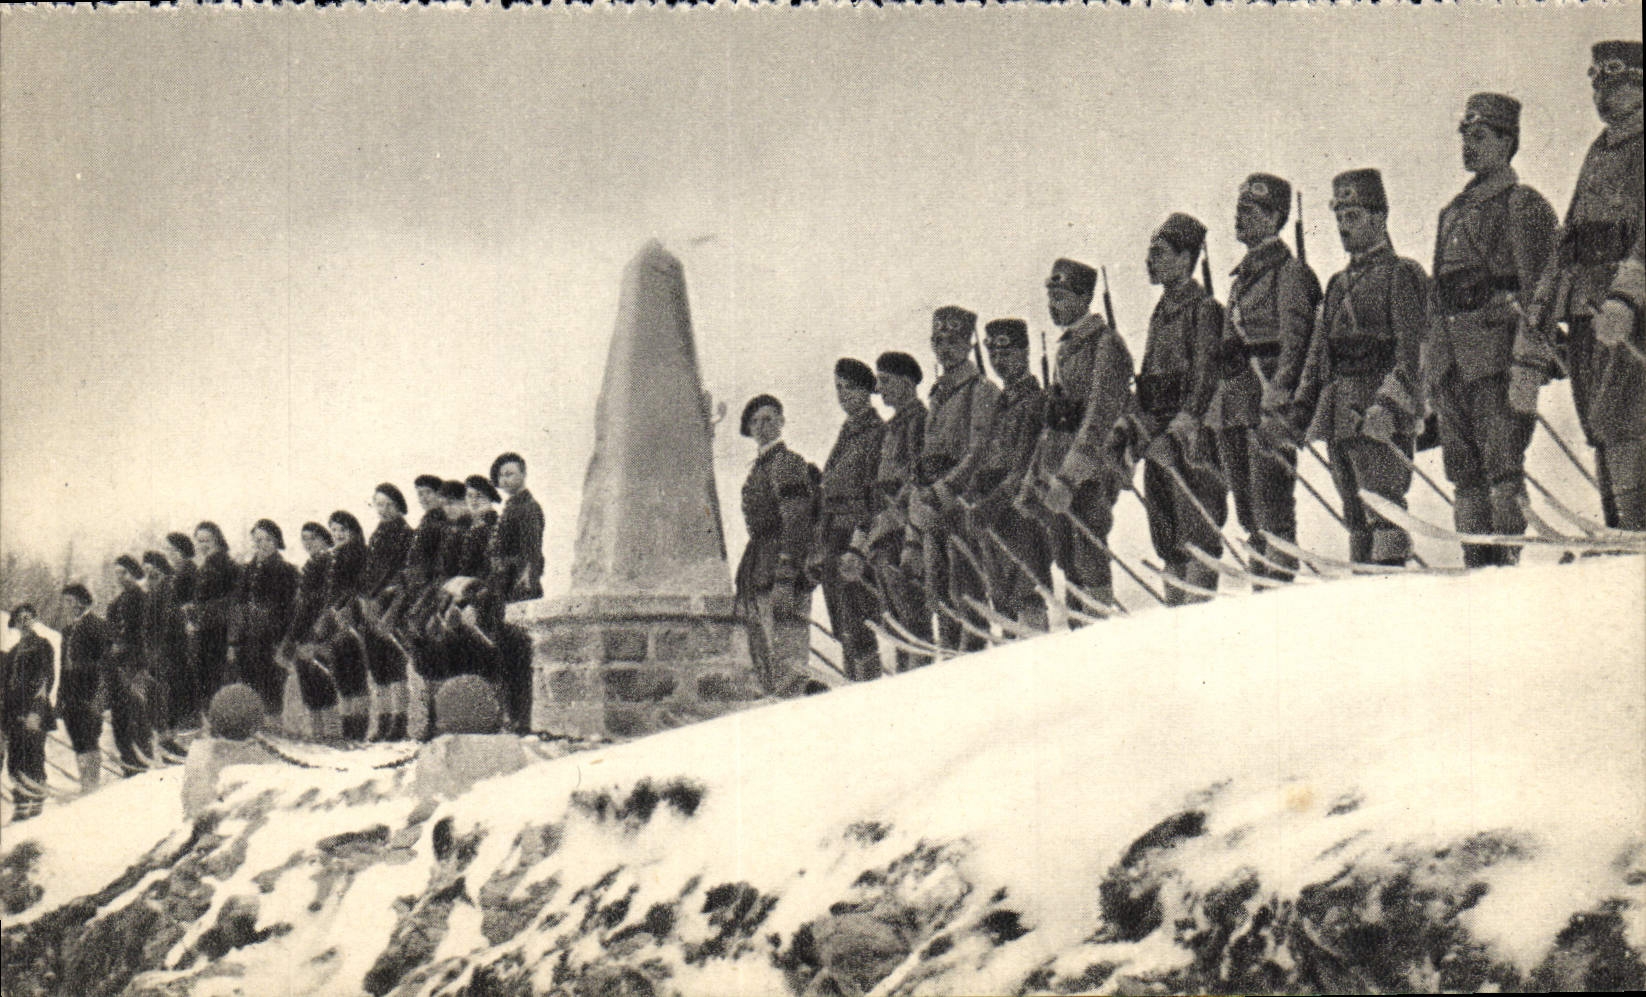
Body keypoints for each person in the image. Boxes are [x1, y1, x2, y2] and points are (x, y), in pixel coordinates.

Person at [1512, 41, 1645, 530]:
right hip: (1587, 308)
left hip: (1632, 315)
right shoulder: (1600, 148)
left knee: (1626, 419)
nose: (1601, 95)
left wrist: (1627, 297)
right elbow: (1570, 235)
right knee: (1597, 422)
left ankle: (1636, 527)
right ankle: (1617, 530)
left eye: (1615, 84)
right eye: (1596, 85)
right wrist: (1543, 308)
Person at [1427, 94, 1560, 566]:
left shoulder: (1522, 205)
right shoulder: (1451, 213)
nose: (1469, 145)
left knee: (1502, 466)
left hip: (1498, 357)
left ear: (1508, 141)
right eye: (1465, 135)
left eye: (1480, 136)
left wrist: (1530, 362)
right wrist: (1432, 365)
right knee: (1463, 472)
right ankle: (1477, 566)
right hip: (1452, 361)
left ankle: (1507, 565)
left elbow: (1543, 290)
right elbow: (1437, 294)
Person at [1295, 169, 1430, 565]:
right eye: (1339, 218)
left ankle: (1390, 584)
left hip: (1377, 409)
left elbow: (1412, 352)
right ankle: (1363, 587)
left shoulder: (1401, 273)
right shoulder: (1337, 283)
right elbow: (1319, 355)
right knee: (1354, 516)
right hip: (1339, 412)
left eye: (1352, 217)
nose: (1343, 227)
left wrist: (1389, 406)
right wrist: (1300, 410)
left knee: (1384, 509)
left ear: (1380, 218)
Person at [1206, 175, 1323, 581]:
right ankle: (1262, 586)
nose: (1240, 218)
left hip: (1271, 403)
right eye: (1238, 209)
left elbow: (1297, 344)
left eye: (1250, 211)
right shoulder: (1242, 280)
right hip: (1238, 406)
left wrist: (1282, 394)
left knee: (1272, 508)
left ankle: (1278, 587)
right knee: (1248, 512)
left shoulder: (1288, 273)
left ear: (1274, 217)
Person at [1017, 258, 1134, 612]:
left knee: (1089, 552)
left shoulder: (1105, 344)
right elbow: (1054, 425)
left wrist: (1069, 476)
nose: (1053, 305)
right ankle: (1080, 628)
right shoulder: (1067, 347)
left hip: (1091, 469)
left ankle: (1099, 626)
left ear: (1084, 298)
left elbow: (1100, 416)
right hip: (1061, 471)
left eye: (1061, 297)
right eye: (1050, 297)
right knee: (1066, 557)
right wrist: (1036, 477)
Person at [1134, 214, 1228, 602]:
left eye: (1159, 253)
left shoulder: (1204, 309)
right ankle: (1176, 619)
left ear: (1186, 258)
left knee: (1198, 532)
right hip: (1158, 439)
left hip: (1191, 442)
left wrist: (1177, 434)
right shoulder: (1161, 313)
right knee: (1167, 536)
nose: (1149, 261)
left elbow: (1205, 379)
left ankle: (1198, 616)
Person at [911, 306, 1000, 650]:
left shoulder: (981, 390)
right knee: (940, 593)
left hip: (962, 502)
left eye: (953, 341)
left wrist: (945, 489)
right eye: (938, 341)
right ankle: (950, 659)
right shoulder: (938, 394)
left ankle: (973, 656)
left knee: (968, 590)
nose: (944, 348)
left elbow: (978, 450)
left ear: (968, 344)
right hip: (936, 504)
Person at [966, 319, 1050, 630]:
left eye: (1007, 354)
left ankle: (1038, 643)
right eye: (995, 356)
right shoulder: (999, 404)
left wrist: (993, 502)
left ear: (1025, 353)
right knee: (1001, 594)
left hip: (1019, 507)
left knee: (1027, 590)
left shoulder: (1035, 401)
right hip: (993, 508)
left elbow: (1025, 464)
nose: (1000, 362)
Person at [734, 394, 817, 695]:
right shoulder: (760, 467)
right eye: (755, 422)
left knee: (789, 662)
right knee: (768, 659)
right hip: (760, 570)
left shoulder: (787, 463)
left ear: (782, 422)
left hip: (783, 572)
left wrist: (786, 575)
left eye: (768, 419)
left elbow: (796, 521)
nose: (761, 427)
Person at [809, 358, 886, 681]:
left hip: (856, 538)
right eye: (839, 388)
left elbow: (875, 496)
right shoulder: (848, 432)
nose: (844, 395)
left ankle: (867, 687)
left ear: (867, 391)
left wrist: (859, 545)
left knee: (859, 624)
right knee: (843, 626)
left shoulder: (876, 433)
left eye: (851, 388)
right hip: (833, 539)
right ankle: (855, 685)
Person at [856, 351, 932, 671]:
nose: (880, 389)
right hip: (886, 532)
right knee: (896, 620)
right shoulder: (892, 427)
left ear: (906, 382)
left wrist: (891, 517)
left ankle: (919, 675)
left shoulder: (919, 421)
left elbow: (918, 478)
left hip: (906, 531)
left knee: (913, 618)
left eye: (886, 381)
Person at [228, 519, 299, 719]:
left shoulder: (287, 571)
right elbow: (237, 606)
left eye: (268, 539)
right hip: (247, 641)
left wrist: (286, 645)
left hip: (273, 641)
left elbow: (292, 612)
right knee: (249, 690)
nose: (263, 544)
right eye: (258, 540)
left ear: (277, 541)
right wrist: (233, 642)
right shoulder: (246, 571)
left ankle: (273, 729)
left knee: (272, 692)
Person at [318, 510, 371, 740]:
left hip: (352, 617)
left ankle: (359, 727)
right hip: (334, 619)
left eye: (342, 530)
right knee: (341, 674)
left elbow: (360, 586)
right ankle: (348, 726)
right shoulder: (332, 556)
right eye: (334, 530)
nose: (338, 534)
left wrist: (344, 608)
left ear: (353, 531)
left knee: (355, 673)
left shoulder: (359, 553)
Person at [286, 522, 340, 739]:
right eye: (304, 539)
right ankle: (319, 735)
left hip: (320, 630)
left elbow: (326, 599)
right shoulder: (311, 564)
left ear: (325, 539)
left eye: (313, 538)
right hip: (304, 628)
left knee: (323, 682)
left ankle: (332, 734)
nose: (308, 543)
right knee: (309, 684)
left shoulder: (330, 563)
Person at [3, 605, 55, 820]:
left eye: (28, 618)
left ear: (34, 620)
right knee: (15, 759)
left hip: (35, 711)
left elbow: (45, 679)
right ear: (15, 623)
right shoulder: (13, 652)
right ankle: (21, 804)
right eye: (19, 619)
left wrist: (36, 712)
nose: (24, 623)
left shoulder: (42, 645)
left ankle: (36, 802)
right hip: (14, 713)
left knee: (33, 757)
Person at [58, 584, 110, 793]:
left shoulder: (97, 625)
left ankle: (92, 784)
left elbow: (106, 662)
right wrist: (60, 699)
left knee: (89, 737)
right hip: (71, 695)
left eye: (71, 601)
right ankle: (85, 782)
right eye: (66, 602)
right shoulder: (68, 630)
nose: (67, 606)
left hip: (90, 691)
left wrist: (101, 695)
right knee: (76, 737)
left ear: (82, 602)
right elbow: (63, 667)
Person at [107, 554, 154, 774]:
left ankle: (142, 758)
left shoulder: (143, 598)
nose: (120, 577)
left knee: (137, 710)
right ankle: (128, 760)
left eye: (124, 573)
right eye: (117, 573)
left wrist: (127, 648)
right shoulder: (116, 602)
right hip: (117, 665)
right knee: (120, 714)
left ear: (134, 573)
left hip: (136, 664)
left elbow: (145, 633)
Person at [190, 521, 238, 707]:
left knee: (217, 687)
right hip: (205, 633)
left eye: (207, 540)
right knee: (206, 686)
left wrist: (232, 641)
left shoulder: (227, 565)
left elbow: (234, 602)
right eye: (200, 541)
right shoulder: (204, 567)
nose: (203, 545)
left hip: (219, 634)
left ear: (217, 540)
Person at [488, 452, 546, 603]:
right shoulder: (512, 506)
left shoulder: (528, 507)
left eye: (509, 474)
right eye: (501, 475)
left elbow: (532, 549)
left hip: (518, 583)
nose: (504, 479)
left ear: (523, 474)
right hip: (504, 581)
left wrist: (528, 577)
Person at [160, 532, 200, 744]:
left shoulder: (189, 571)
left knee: (182, 680)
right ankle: (174, 730)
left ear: (181, 551)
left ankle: (184, 731)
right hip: (172, 636)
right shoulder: (174, 574)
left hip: (184, 636)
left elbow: (191, 605)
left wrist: (185, 616)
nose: (169, 554)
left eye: (172, 550)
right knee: (173, 682)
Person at [362, 483, 414, 599]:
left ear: (399, 508)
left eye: (390, 505)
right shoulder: (377, 534)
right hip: (372, 593)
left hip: (392, 595)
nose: (384, 510)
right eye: (380, 505)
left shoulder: (406, 534)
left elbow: (398, 572)